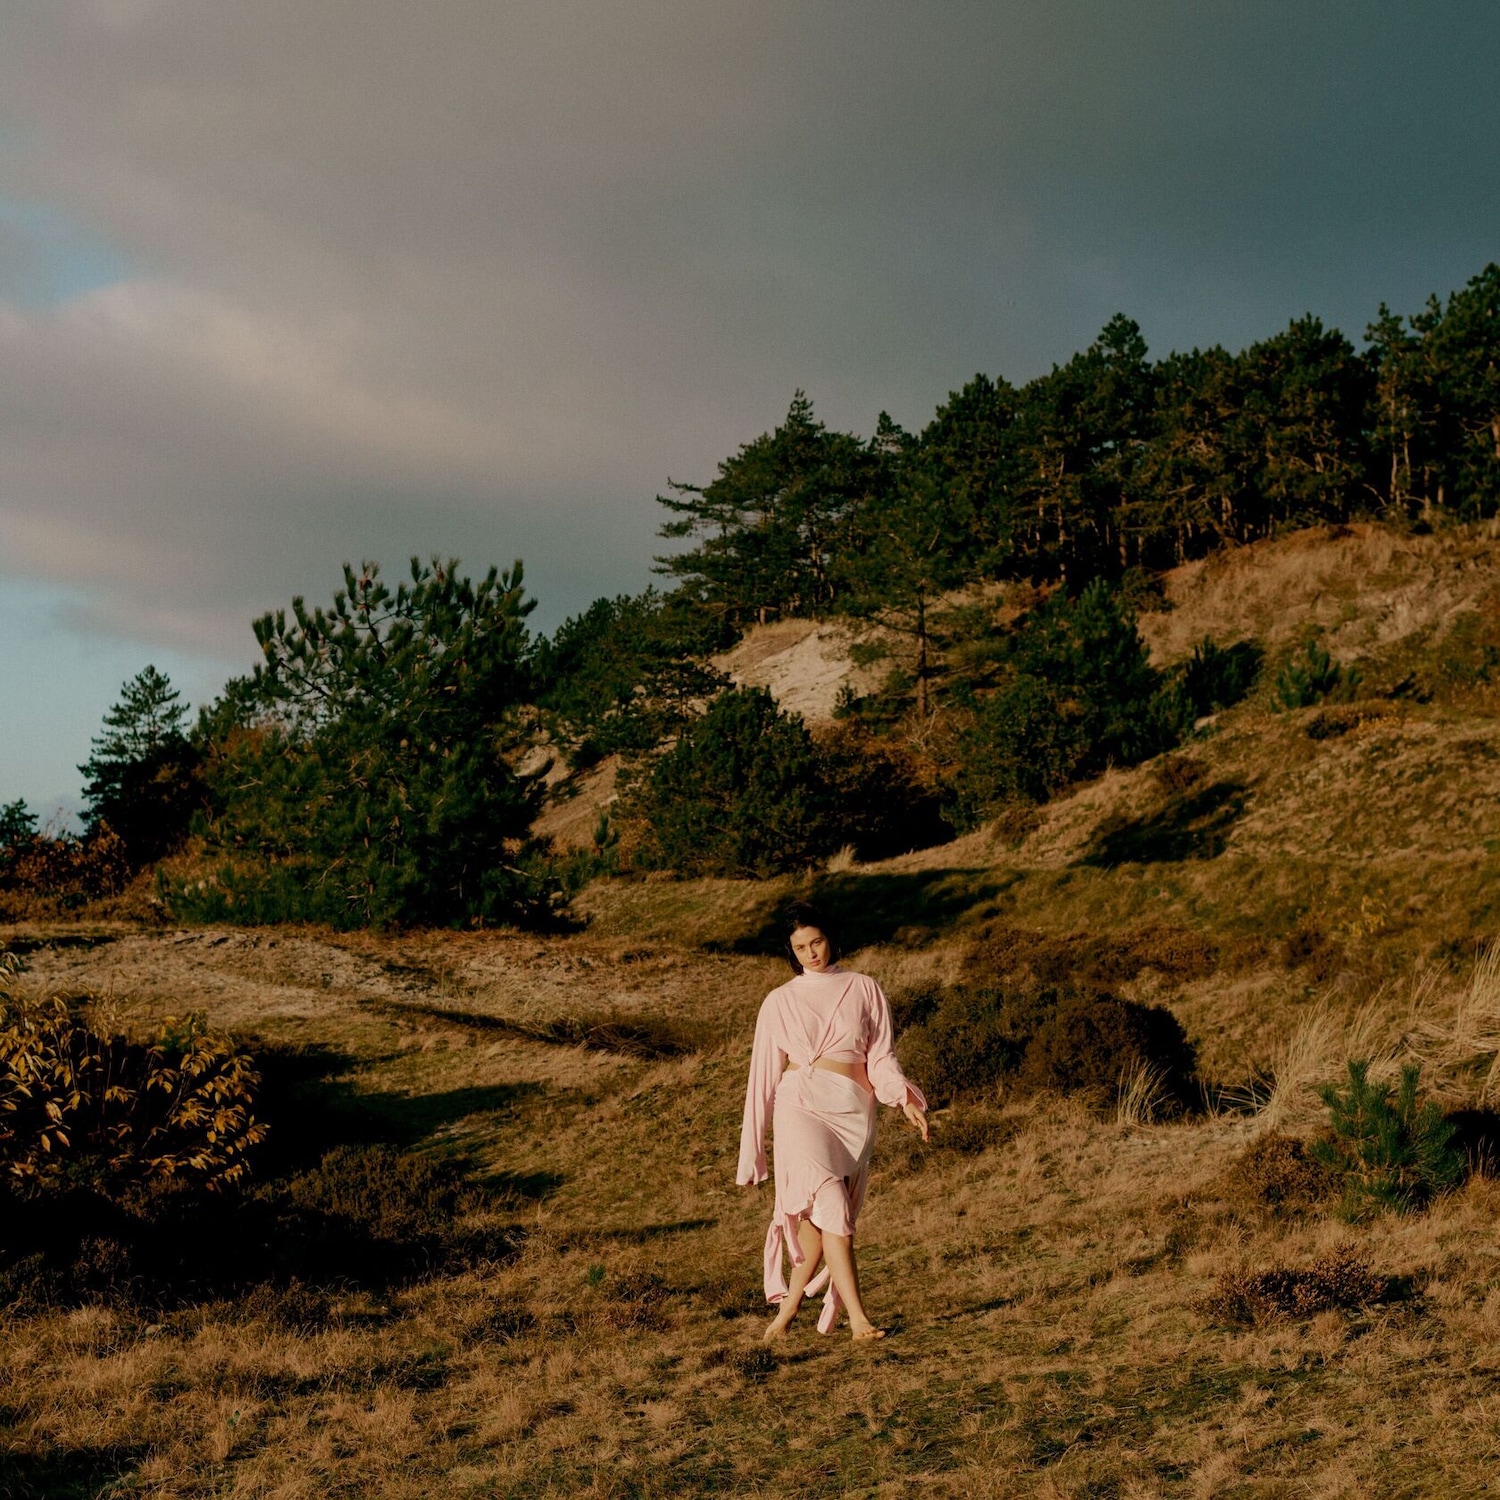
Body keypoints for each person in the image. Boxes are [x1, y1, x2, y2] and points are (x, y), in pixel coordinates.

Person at [737, 901, 928, 1341]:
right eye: (800, 947)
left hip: (851, 1109)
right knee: (832, 1204)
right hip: (799, 1104)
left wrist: (903, 1099)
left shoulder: (864, 988)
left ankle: (784, 1317)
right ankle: (859, 1321)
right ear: (791, 952)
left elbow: (880, 1058)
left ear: (830, 938)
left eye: (816, 941)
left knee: (820, 1221)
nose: (811, 953)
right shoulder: (779, 1000)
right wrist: (754, 1153)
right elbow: (761, 1077)